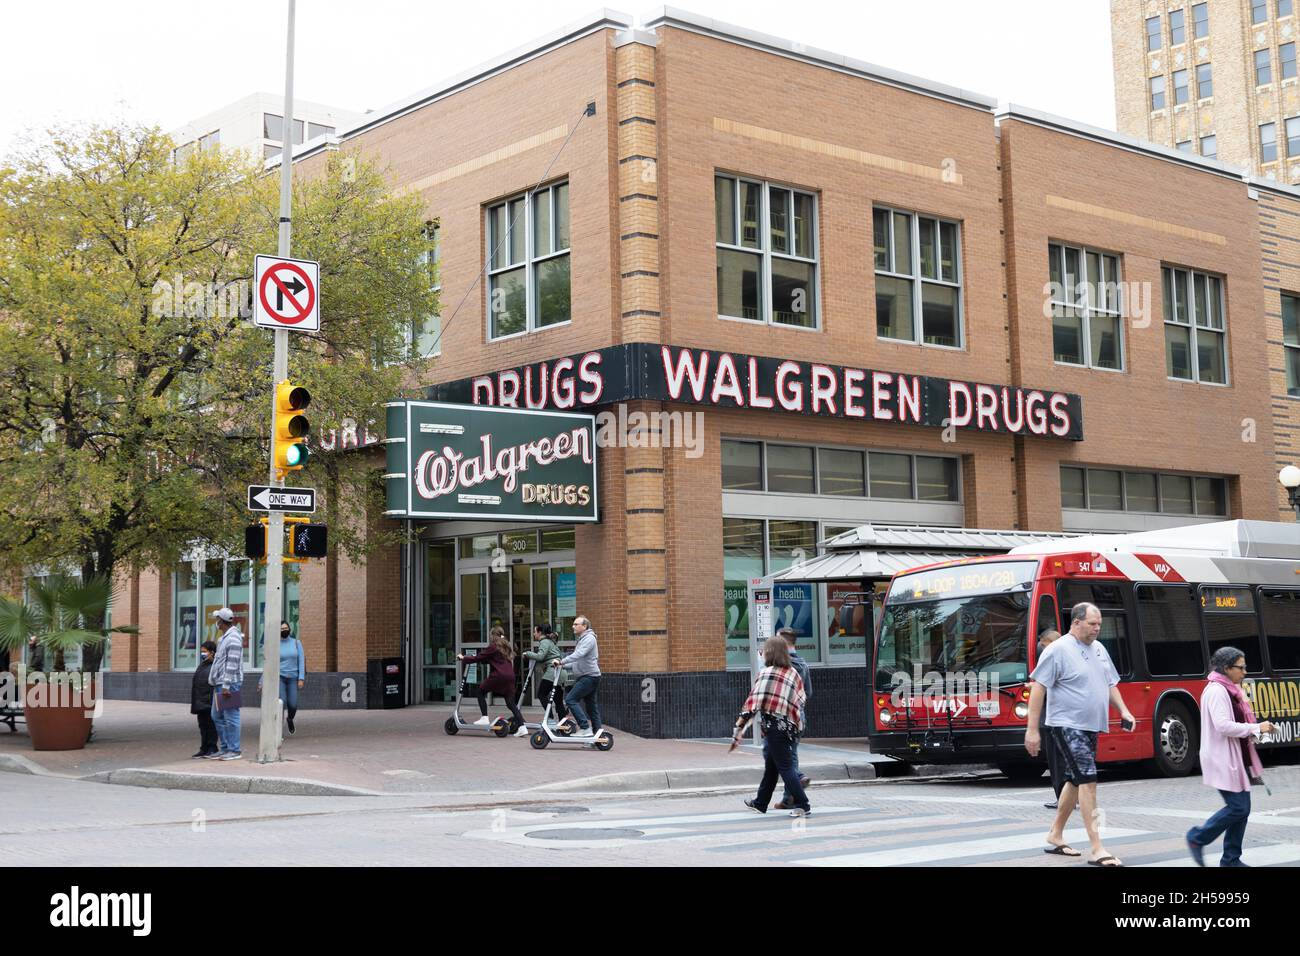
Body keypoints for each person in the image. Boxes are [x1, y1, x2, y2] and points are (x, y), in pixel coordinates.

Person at [1025, 602, 1136, 866]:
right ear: (1076, 622)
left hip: (1091, 726)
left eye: (1099, 624)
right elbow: (1038, 688)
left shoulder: (1098, 648)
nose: (1097, 628)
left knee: (1075, 780)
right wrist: (1032, 730)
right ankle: (1097, 848)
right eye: (1092, 623)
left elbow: (1109, 683)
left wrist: (1124, 710)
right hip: (1067, 725)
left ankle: (1055, 834)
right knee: (1088, 780)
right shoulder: (1057, 650)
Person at [1187, 646, 1275, 867]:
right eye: (1241, 667)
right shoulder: (1217, 690)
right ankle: (1198, 838)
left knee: (1241, 810)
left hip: (1234, 758)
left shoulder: (1231, 689)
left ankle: (1231, 860)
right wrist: (1256, 728)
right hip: (1222, 758)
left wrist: (1257, 730)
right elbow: (1223, 726)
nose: (1244, 672)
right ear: (1226, 668)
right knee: (1238, 808)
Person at [732, 635, 810, 817]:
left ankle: (803, 804)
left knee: (786, 767)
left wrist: (740, 727)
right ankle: (760, 803)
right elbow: (801, 699)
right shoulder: (792, 673)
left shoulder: (767, 673)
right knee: (772, 768)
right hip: (790, 726)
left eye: (765, 650)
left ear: (770, 653)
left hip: (774, 727)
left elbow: (753, 703)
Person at [773, 627, 812, 810]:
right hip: (799, 716)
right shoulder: (803, 664)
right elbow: (808, 692)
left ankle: (798, 779)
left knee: (783, 758)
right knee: (791, 755)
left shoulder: (782, 666)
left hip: (782, 717)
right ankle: (789, 798)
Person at [458, 626, 525, 731]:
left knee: (480, 691)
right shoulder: (506, 646)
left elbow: (478, 657)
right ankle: (522, 727)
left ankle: (484, 717)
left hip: (498, 676)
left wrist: (463, 658)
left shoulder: (493, 647)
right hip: (510, 676)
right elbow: (494, 659)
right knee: (510, 703)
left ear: (493, 636)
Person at [1033, 628, 1066, 809]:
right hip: (1066, 718)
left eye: (1042, 645)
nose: (1041, 649)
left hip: (1053, 718)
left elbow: (1042, 688)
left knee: (1057, 762)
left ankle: (1062, 797)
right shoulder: (1068, 656)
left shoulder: (1051, 657)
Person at [208, 608, 245, 760]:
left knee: (231, 717)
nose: (216, 622)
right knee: (217, 716)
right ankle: (225, 748)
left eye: (217, 619)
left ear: (222, 622)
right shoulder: (223, 638)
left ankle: (234, 750)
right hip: (220, 683)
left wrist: (226, 685)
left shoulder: (233, 638)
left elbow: (232, 663)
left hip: (229, 684)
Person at [258, 621, 306, 736]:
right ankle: (278, 732)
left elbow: (301, 661)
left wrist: (301, 678)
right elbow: (269, 663)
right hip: (279, 677)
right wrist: (261, 681)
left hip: (293, 678)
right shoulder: (275, 645)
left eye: (286, 628)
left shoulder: (296, 643)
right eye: (281, 629)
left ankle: (290, 719)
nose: (284, 630)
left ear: (289, 629)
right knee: (281, 702)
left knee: (293, 705)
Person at [559, 616, 602, 737]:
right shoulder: (582, 639)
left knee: (570, 699)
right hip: (589, 676)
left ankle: (584, 728)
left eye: (576, 624)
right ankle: (598, 737)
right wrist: (562, 666)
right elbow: (578, 661)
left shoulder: (589, 638)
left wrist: (563, 661)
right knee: (591, 708)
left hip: (589, 677)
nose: (573, 626)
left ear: (584, 626)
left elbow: (579, 654)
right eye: (573, 624)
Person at [521, 624, 567, 736]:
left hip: (552, 672)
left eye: (535, 631)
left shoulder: (544, 642)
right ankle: (562, 725)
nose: (533, 634)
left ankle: (550, 719)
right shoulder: (550, 641)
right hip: (560, 672)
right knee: (558, 700)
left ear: (540, 632)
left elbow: (541, 656)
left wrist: (527, 653)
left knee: (541, 694)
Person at [191, 640, 218, 758]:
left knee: (211, 725)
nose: (202, 654)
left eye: (204, 651)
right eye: (201, 651)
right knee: (202, 725)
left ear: (212, 652)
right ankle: (204, 747)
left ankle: (212, 747)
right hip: (200, 701)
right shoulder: (202, 665)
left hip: (209, 701)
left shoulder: (216, 665)